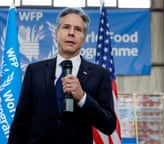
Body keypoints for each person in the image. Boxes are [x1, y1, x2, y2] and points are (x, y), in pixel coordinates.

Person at [8, 7, 116, 144]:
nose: (71, 33)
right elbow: (20, 123)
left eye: (78, 29)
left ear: (84, 37)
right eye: (66, 27)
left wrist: (83, 98)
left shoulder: (100, 75)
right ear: (56, 33)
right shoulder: (34, 71)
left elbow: (109, 125)